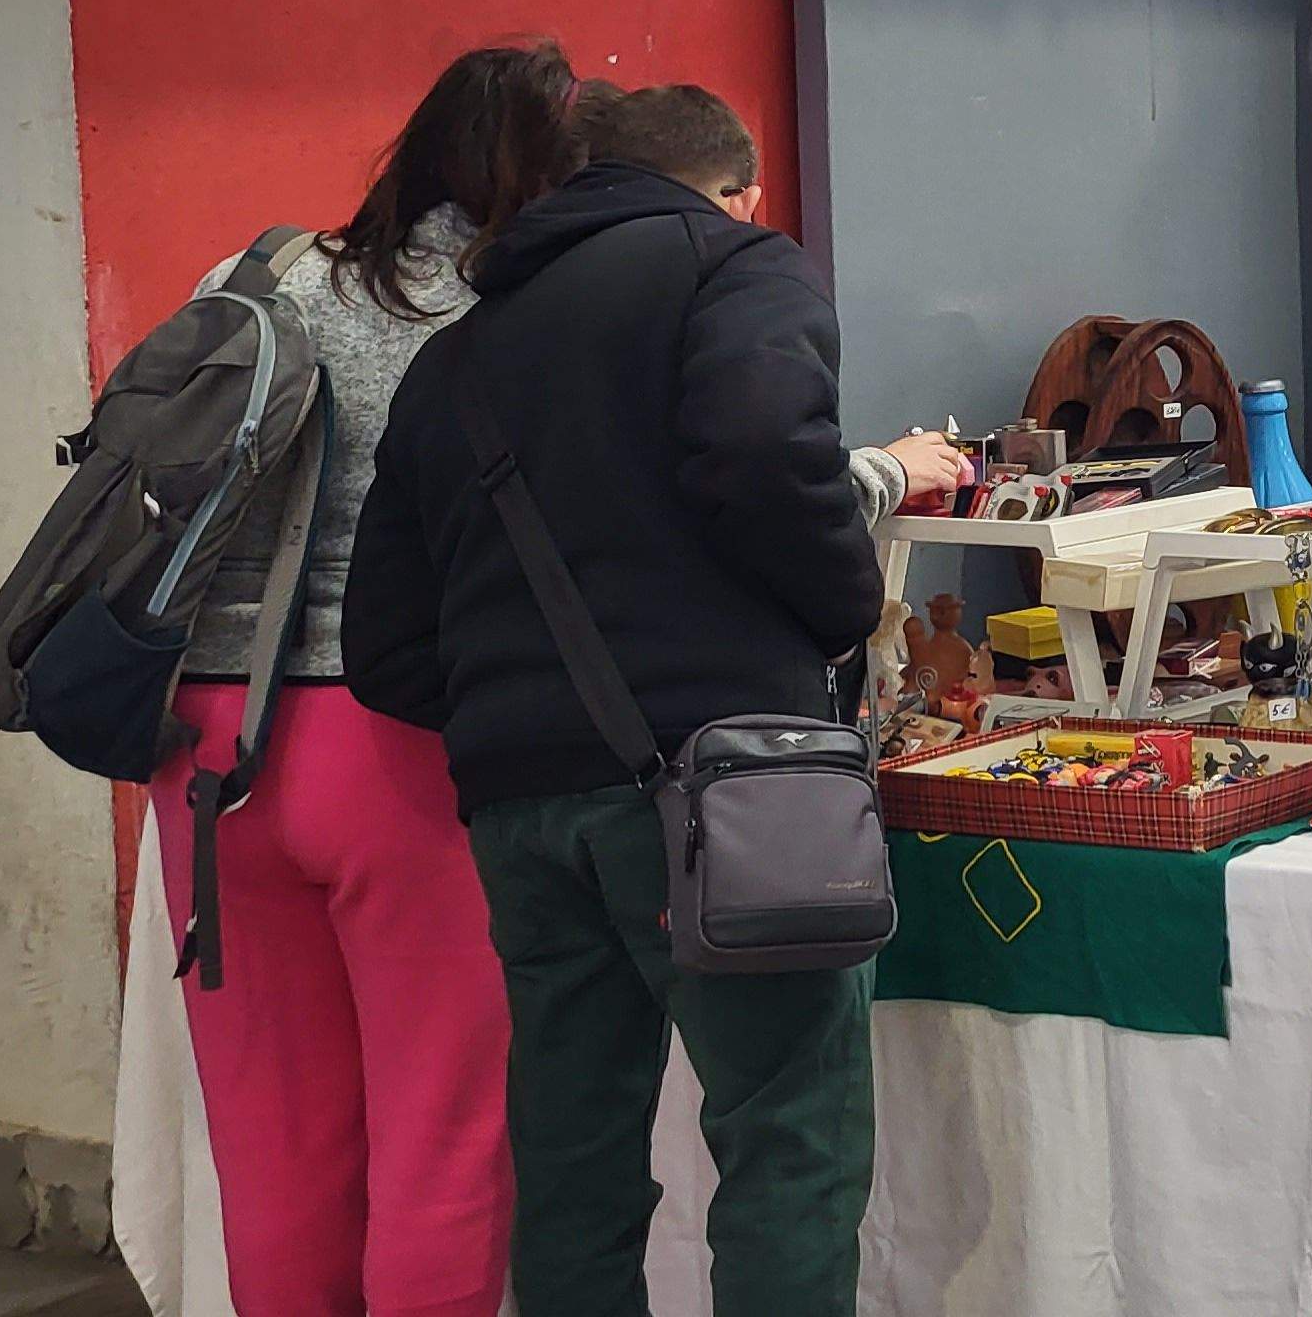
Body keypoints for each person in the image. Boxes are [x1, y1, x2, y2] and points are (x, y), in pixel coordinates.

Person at [345, 83, 963, 1316]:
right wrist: (838, 617)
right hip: (731, 786)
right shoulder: (738, 270)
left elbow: (384, 647)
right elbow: (758, 446)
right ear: (740, 192)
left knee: (572, 1157)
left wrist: (517, 709)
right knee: (788, 1138)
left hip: (521, 809)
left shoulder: (455, 356)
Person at [148, 43, 582, 1317]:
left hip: (201, 742)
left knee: (272, 1138)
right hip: (390, 744)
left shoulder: (257, 273)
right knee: (440, 1137)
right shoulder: (506, 318)